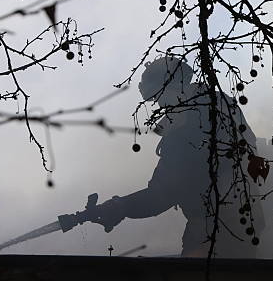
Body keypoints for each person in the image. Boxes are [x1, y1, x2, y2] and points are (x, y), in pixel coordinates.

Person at [94, 56, 264, 258]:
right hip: (243, 221)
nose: (159, 105)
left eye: (158, 96)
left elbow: (162, 194)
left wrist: (121, 207)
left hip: (216, 231)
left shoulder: (187, 127)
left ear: (173, 87)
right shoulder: (219, 103)